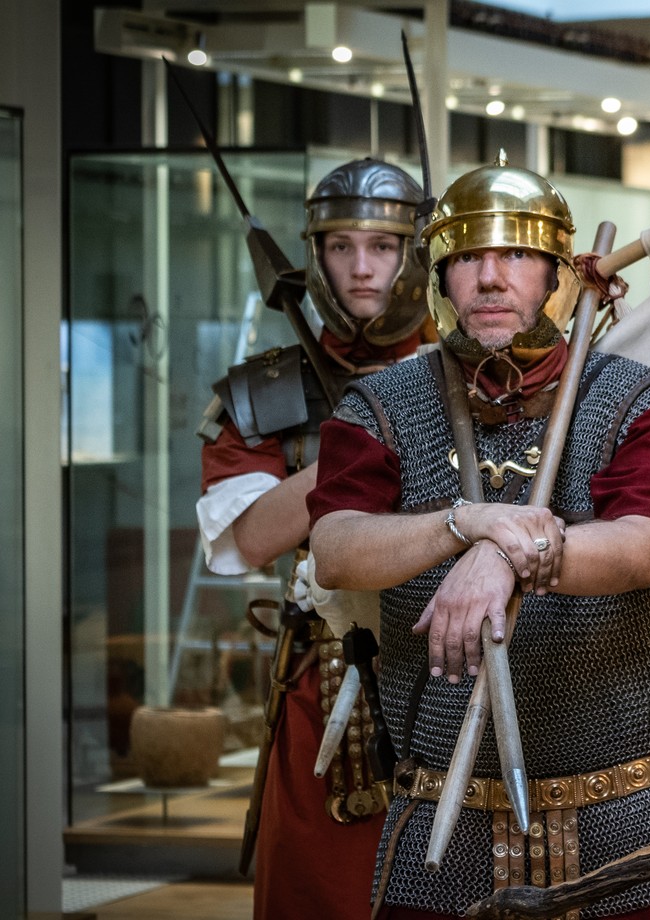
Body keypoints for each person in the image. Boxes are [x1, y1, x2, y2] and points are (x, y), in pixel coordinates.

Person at [306, 155, 650, 920]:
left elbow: (640, 548)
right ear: (442, 276)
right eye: (469, 259)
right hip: (442, 819)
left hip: (617, 814)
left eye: (517, 255)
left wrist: (505, 557)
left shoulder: (631, 398)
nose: (492, 279)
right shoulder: (383, 404)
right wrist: (468, 522)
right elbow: (336, 547)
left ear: (555, 271)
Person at [195, 157, 430, 920]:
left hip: (456, 656)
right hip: (327, 683)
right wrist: (373, 428)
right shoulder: (265, 390)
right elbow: (254, 537)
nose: (362, 268)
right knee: (321, 891)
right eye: (340, 246)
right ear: (313, 254)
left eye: (383, 246)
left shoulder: (472, 368)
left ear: (415, 253)